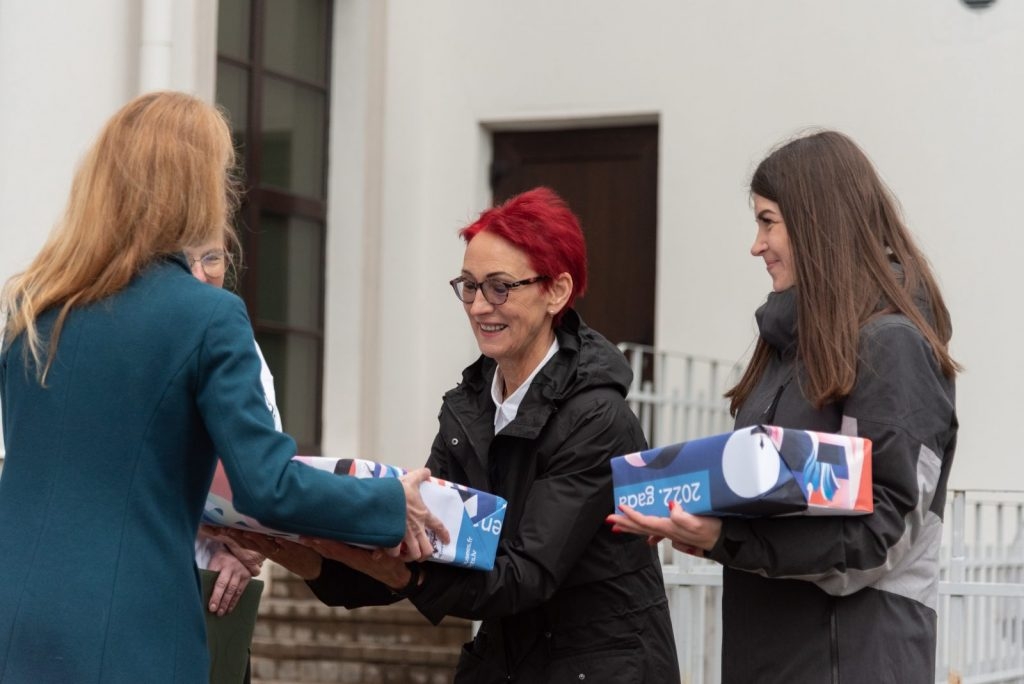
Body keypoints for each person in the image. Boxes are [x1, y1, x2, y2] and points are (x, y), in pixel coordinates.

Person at [0, 91, 446, 683]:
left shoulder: (33, 309)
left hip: (16, 615)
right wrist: (388, 502)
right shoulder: (207, 315)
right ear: (196, 188)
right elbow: (267, 486)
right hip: (129, 629)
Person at [233, 187, 680, 683]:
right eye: (469, 286)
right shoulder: (469, 408)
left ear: (556, 291)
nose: (479, 306)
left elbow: (525, 576)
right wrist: (305, 551)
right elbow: (428, 543)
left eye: (500, 287)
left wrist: (408, 573)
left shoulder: (597, 418)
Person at [609, 130, 959, 683]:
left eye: (768, 222)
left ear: (818, 223)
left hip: (853, 661)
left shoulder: (891, 347)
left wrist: (726, 538)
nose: (757, 245)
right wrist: (696, 517)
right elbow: (783, 499)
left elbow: (882, 540)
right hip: (770, 656)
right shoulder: (789, 344)